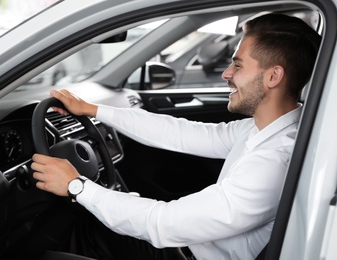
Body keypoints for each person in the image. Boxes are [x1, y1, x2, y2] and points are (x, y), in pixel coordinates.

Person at [31, 13, 321, 260]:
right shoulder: (267, 129)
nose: (226, 73)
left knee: (71, 237)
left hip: (187, 253)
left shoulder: (273, 162)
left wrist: (76, 187)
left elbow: (165, 223)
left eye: (238, 65)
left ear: (273, 77)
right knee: (89, 226)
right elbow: (182, 133)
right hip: (188, 246)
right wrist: (94, 109)